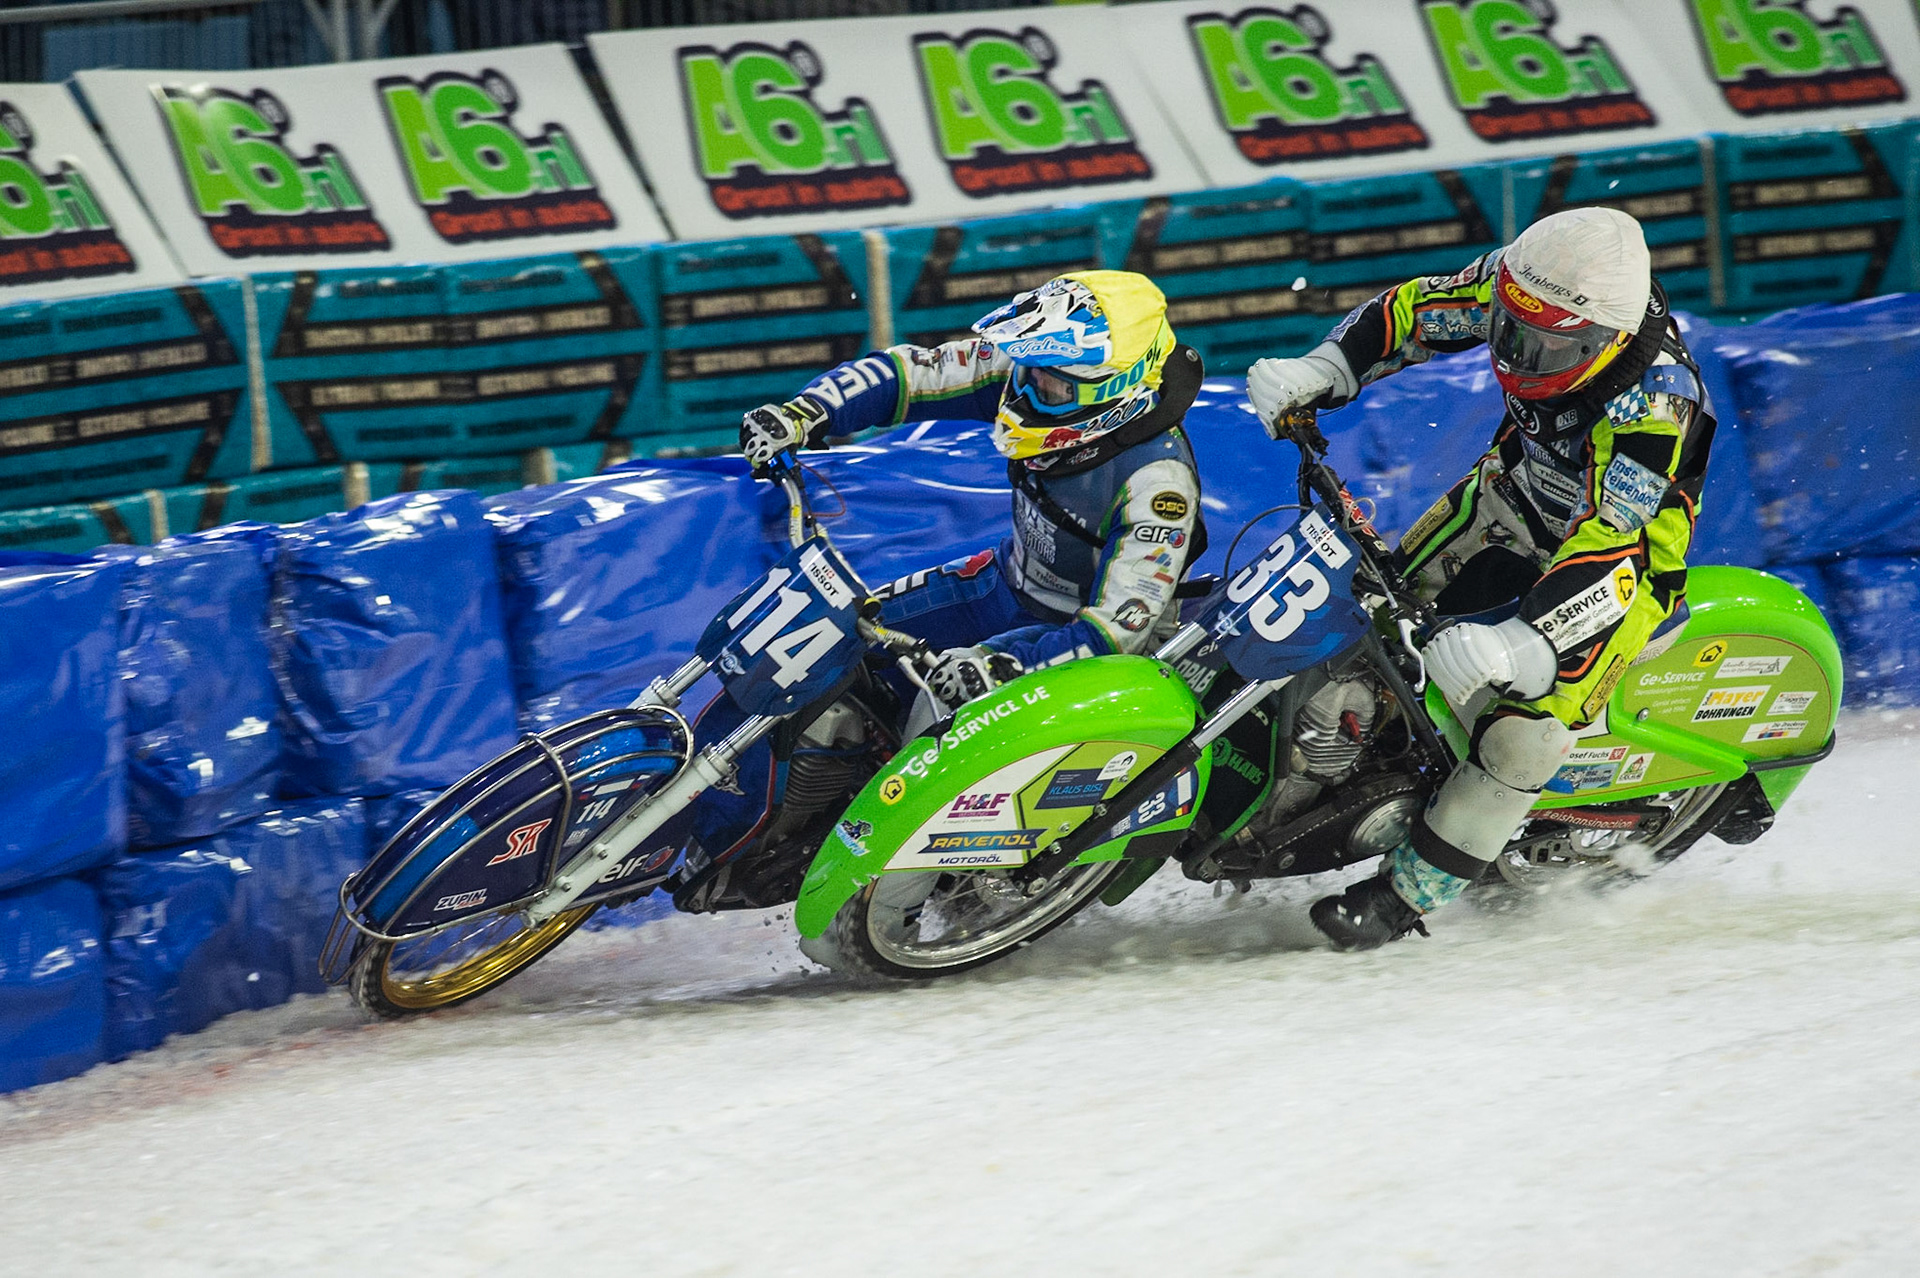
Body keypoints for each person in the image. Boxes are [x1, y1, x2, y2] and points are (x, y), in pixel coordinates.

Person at [1246, 207, 1714, 950]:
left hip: (1618, 567)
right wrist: (1326, 368)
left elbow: (1612, 538)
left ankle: (1406, 895)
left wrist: (1524, 643)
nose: (1520, 358)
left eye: (1545, 347)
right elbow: (1409, 314)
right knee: (1371, 611)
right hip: (1510, 496)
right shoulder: (1528, 284)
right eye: (1508, 333)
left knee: (1525, 737)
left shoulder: (1655, 406)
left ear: (1609, 340)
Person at [739, 269, 1205, 712]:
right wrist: (806, 412)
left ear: (1115, 391)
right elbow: (916, 372)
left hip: (1076, 644)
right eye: (1032, 369)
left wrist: (1008, 670)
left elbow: (1118, 634)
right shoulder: (1029, 372)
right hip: (1005, 583)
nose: (1032, 388)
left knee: (936, 717)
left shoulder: (1157, 486)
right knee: (840, 632)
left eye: (1055, 385)